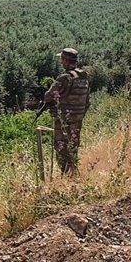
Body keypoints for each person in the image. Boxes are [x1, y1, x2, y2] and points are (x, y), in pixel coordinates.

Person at [38, 47, 90, 175]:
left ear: (66, 61)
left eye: (62, 59)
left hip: (64, 119)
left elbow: (48, 96)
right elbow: (87, 100)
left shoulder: (65, 78)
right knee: (73, 146)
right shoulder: (84, 77)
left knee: (61, 147)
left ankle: (66, 176)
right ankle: (74, 173)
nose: (61, 62)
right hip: (78, 118)